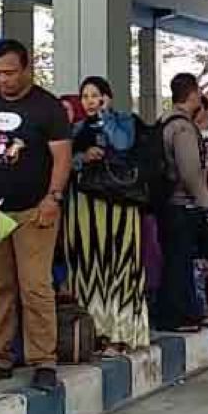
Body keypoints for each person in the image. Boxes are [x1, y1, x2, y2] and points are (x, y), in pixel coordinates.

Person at [0, 39, 71, 390]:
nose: (2, 80)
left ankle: (44, 361)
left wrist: (53, 197)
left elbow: (62, 158)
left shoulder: (47, 107)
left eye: (9, 72)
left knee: (35, 286)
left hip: (34, 210)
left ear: (26, 69)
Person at [63, 76, 148, 353]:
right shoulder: (76, 129)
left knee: (119, 265)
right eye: (85, 96)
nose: (89, 101)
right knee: (88, 264)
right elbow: (66, 161)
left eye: (94, 95)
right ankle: (93, 332)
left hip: (120, 204)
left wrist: (106, 117)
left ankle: (121, 333)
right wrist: (82, 158)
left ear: (106, 97)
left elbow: (122, 144)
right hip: (85, 207)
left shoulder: (125, 121)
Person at [151, 73, 208, 333]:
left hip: (164, 202)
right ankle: (176, 316)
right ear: (192, 94)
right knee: (179, 261)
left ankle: (181, 312)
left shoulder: (163, 120)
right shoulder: (184, 127)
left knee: (173, 259)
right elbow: (189, 171)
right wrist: (206, 202)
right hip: (181, 204)